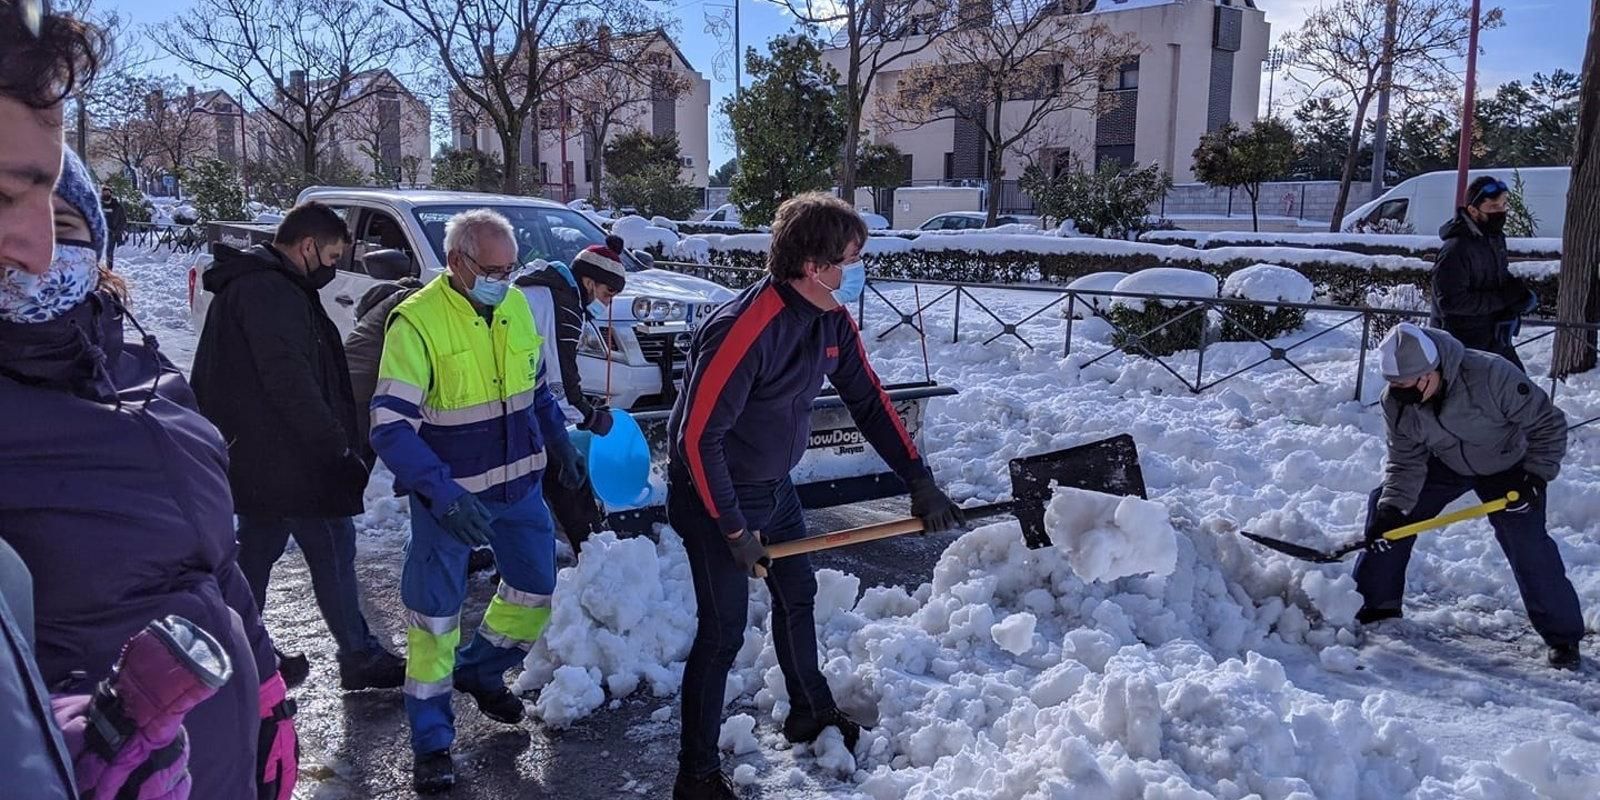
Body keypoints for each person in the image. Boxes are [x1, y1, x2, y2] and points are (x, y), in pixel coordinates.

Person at [1, 145, 292, 798]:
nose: (37, 246)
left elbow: (217, 564)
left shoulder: (144, 373)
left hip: (222, 766)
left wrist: (268, 691)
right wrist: (62, 741)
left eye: (64, 225)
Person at [665, 193, 965, 799]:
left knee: (797, 593)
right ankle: (695, 775)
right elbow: (695, 440)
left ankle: (809, 709)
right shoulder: (745, 330)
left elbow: (870, 402)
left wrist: (919, 480)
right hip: (711, 496)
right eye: (851, 259)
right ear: (813, 264)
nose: (857, 270)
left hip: (773, 490)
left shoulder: (829, 317)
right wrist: (732, 531)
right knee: (722, 635)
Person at [369, 209, 584, 794]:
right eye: (493, 269)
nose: (504, 279)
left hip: (519, 491)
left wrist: (560, 445)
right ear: (458, 262)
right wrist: (442, 495)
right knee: (435, 621)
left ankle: (481, 672)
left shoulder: (514, 305)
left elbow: (536, 390)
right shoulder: (416, 323)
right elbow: (390, 427)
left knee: (533, 594)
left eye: (511, 268)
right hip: (453, 503)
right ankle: (432, 743)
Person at [190, 201, 406, 692]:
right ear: (307, 246)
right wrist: (334, 447)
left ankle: (239, 647)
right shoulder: (271, 291)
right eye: (331, 257)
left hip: (261, 452)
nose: (333, 269)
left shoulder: (261, 284)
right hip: (287, 456)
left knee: (258, 550)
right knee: (330, 543)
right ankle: (353, 654)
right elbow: (290, 379)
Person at [1355, 323, 1581, 669]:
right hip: (1445, 463)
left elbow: (1548, 424)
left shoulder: (1490, 375)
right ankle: (1375, 604)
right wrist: (1393, 508)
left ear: (1432, 372)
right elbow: (1405, 463)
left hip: (1509, 465)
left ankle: (1563, 637)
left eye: (1407, 385)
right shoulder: (1396, 403)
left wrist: (1534, 477)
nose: (1401, 393)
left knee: (1528, 543)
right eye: (1393, 386)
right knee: (1385, 510)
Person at [518, 236, 630, 554]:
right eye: (607, 294)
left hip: (516, 395)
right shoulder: (561, 303)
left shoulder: (546, 290)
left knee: (536, 481)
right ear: (589, 281)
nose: (607, 303)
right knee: (567, 471)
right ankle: (593, 553)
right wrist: (592, 418)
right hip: (524, 399)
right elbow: (558, 377)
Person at [1430, 175, 1537, 371]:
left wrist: (1518, 295)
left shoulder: (1494, 239)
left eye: (1504, 205)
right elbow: (1450, 301)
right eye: (1494, 207)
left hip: (1493, 339)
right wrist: (1502, 299)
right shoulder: (1456, 249)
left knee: (1521, 394)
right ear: (1473, 211)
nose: (1502, 211)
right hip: (1461, 347)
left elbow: (1496, 278)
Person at [99, 183, 125, 268]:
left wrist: (117, 232)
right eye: (104, 193)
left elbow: (123, 221)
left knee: (109, 252)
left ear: (111, 193)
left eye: (107, 193)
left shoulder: (117, 206)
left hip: (112, 233)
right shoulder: (98, 205)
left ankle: (109, 270)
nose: (106, 195)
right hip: (100, 233)